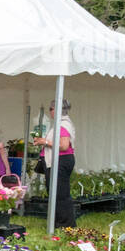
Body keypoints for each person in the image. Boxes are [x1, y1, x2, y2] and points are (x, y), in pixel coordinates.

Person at [33, 98, 76, 228]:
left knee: (60, 193)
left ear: (56, 110)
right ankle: (60, 221)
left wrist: (44, 142)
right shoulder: (61, 123)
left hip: (61, 161)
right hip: (60, 160)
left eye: (51, 109)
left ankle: (65, 223)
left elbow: (63, 145)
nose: (50, 112)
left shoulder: (63, 125)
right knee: (57, 192)